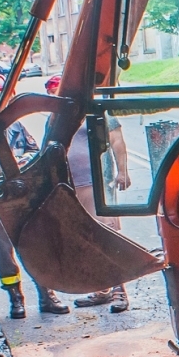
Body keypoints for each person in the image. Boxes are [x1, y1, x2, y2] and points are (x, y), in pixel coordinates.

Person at [0, 75, 69, 319]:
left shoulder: (15, 126)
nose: (3, 104)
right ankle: (15, 299)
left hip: (24, 200)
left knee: (36, 249)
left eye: (7, 99)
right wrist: (2, 164)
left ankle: (47, 296)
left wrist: (24, 161)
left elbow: (34, 151)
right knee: (4, 255)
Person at [51, 77, 134, 312]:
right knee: (89, 239)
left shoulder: (97, 112)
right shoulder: (58, 119)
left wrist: (122, 171)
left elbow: (116, 140)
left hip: (98, 184)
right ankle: (102, 289)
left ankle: (119, 291)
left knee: (108, 236)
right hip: (73, 188)